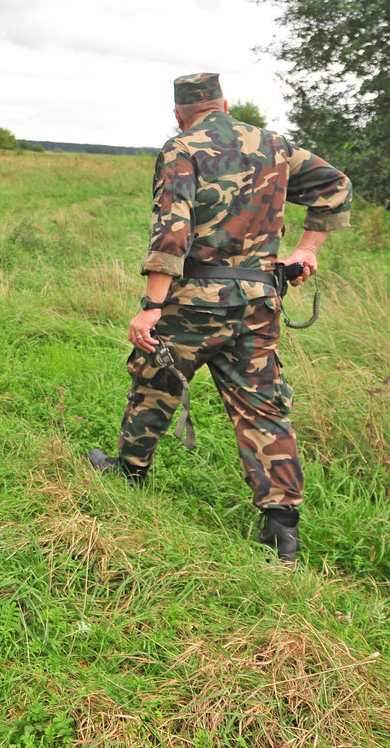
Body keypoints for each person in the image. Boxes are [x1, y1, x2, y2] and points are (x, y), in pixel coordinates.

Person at [88, 73, 352, 564]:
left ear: (178, 112)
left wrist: (150, 307)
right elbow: (336, 185)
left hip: (194, 298)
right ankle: (281, 531)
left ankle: (130, 472)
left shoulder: (181, 147)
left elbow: (172, 231)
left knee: (155, 379)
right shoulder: (274, 145)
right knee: (262, 405)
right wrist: (305, 249)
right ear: (225, 104)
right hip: (258, 300)